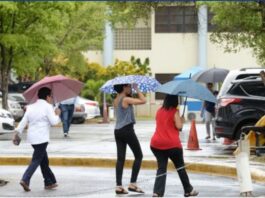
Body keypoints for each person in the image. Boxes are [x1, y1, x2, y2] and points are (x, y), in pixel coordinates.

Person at [13, 87, 61, 192]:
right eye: (51, 96)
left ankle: (49, 182)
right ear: (47, 96)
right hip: (42, 138)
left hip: (32, 138)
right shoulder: (48, 107)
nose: (51, 98)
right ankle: (25, 179)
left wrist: (17, 132)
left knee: (44, 161)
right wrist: (57, 114)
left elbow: (23, 121)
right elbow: (54, 122)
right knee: (36, 160)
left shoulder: (31, 107)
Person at [150, 94, 198, 197]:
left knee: (161, 168)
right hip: (172, 145)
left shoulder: (159, 111)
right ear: (175, 102)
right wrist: (182, 120)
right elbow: (179, 127)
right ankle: (188, 190)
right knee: (180, 167)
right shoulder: (174, 112)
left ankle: (157, 192)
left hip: (156, 144)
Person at [113, 83, 146, 194]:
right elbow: (143, 100)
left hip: (117, 130)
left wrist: (132, 91)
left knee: (120, 158)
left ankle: (118, 186)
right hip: (127, 130)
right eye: (129, 87)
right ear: (124, 87)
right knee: (139, 155)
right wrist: (137, 89)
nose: (130, 88)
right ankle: (133, 183)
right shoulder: (126, 99)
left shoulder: (116, 99)